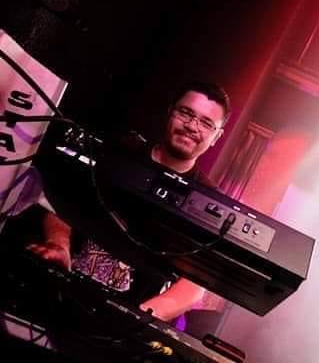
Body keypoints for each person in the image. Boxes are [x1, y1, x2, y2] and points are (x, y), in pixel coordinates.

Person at [26, 80, 231, 324]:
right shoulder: (119, 151)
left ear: (217, 136)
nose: (192, 126)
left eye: (206, 123)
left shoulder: (210, 201)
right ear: (170, 112)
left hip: (122, 326)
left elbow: (195, 284)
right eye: (186, 113)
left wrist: (138, 318)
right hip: (57, 293)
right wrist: (58, 245)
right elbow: (63, 202)